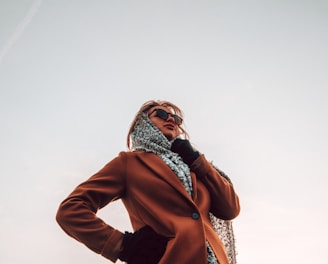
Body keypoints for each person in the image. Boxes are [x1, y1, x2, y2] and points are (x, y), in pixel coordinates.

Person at [56, 100, 240, 264]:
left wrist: (198, 161)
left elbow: (230, 208)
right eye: (161, 114)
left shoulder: (195, 166)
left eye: (176, 119)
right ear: (143, 123)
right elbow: (71, 210)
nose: (170, 119)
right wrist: (123, 245)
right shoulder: (129, 163)